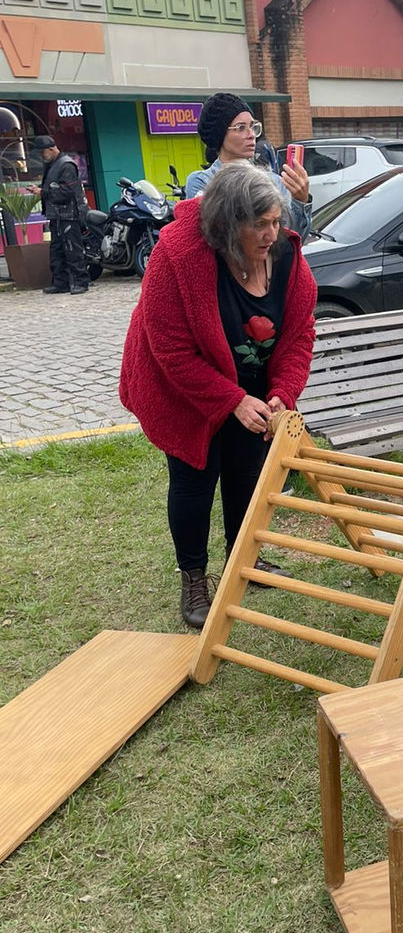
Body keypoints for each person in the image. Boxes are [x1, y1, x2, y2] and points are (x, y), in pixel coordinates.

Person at [119, 162, 317, 630]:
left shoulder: (286, 255)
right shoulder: (178, 255)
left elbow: (298, 335)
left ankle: (242, 560)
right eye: (260, 225)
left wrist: (281, 394)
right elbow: (170, 349)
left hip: (251, 382)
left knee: (247, 472)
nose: (273, 233)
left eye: (276, 221)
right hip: (182, 387)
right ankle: (193, 578)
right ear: (228, 225)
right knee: (193, 480)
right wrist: (229, 400)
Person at [186, 93, 312, 240]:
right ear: (219, 134)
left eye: (253, 127)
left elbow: (294, 241)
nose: (251, 135)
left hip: (271, 263)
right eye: (240, 128)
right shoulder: (203, 182)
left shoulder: (275, 182)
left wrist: (300, 201)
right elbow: (209, 238)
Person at [29, 135, 89, 294]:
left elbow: (68, 191)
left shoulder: (66, 165)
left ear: (51, 149)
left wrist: (43, 192)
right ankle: (60, 282)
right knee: (56, 249)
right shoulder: (52, 164)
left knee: (72, 249)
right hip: (56, 214)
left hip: (69, 214)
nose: (41, 156)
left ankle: (81, 282)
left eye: (42, 152)